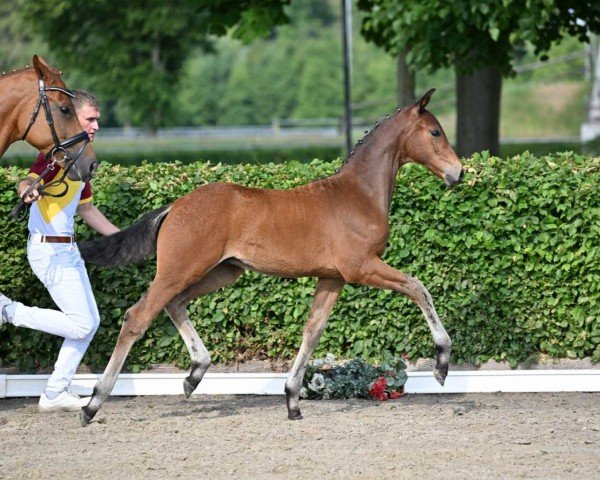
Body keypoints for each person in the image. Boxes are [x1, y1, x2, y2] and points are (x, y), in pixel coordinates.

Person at [0, 90, 119, 411]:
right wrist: (27, 192)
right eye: (89, 119)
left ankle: (55, 392)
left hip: (69, 252)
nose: (96, 125)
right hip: (48, 253)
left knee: (89, 323)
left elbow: (88, 211)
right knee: (82, 324)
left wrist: (125, 238)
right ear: (71, 119)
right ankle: (8, 312)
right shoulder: (55, 155)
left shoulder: (80, 161)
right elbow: (27, 180)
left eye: (97, 119)